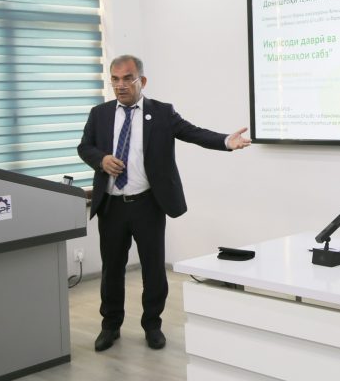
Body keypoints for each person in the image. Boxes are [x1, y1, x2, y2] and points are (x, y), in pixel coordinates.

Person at [77, 54, 250, 352]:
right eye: (115, 79)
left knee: (153, 269)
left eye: (127, 78)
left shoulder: (162, 113)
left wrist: (225, 141)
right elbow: (85, 147)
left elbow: (194, 133)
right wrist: (101, 160)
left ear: (142, 81)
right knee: (112, 269)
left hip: (148, 205)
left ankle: (152, 325)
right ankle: (110, 325)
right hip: (112, 206)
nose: (120, 85)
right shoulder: (100, 114)